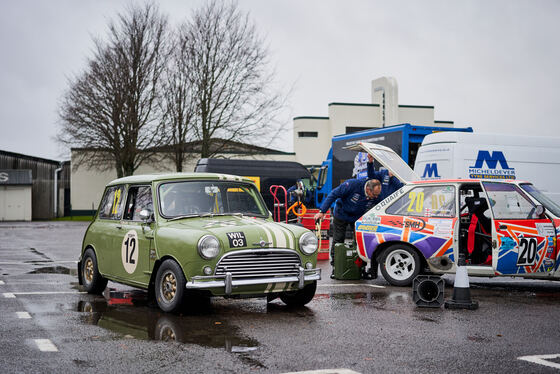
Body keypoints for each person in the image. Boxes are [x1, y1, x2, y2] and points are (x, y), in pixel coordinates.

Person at [314, 155, 403, 278]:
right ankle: (337, 268)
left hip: (357, 218)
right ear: (368, 188)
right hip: (341, 214)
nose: (375, 197)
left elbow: (383, 205)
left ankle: (359, 268)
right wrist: (322, 211)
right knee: (338, 240)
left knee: (360, 242)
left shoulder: (377, 196)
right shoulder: (352, 185)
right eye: (374, 195)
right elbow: (333, 195)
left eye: (377, 195)